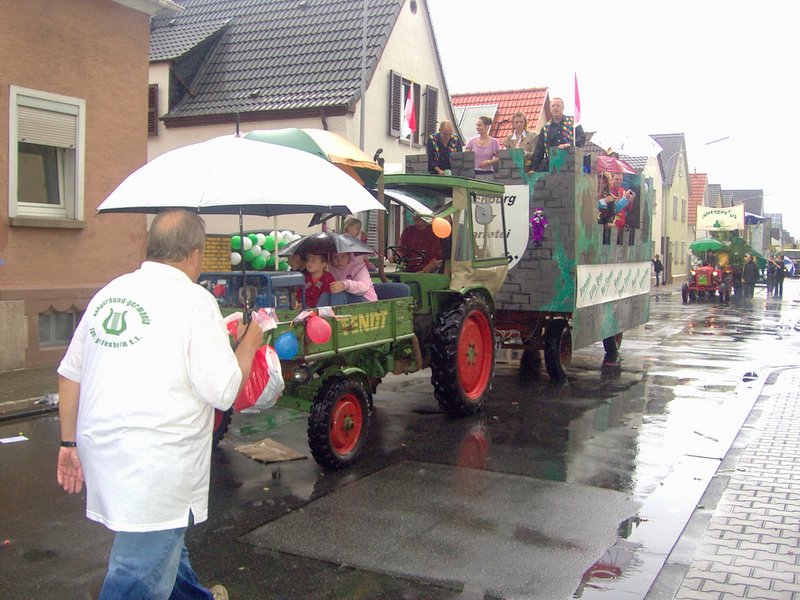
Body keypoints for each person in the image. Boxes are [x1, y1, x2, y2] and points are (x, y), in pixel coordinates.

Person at [56, 209, 263, 600]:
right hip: (156, 460)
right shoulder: (194, 301)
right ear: (194, 254)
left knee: (165, 539)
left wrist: (68, 444)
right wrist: (250, 342)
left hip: (106, 450)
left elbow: (69, 374)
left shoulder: (110, 293)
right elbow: (223, 391)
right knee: (137, 572)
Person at [529, 97, 586, 172]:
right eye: (553, 106)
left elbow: (582, 137)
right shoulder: (545, 127)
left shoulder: (573, 122)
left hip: (570, 164)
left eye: (558, 106)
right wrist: (534, 168)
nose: (555, 108)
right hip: (551, 167)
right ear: (550, 109)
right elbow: (539, 149)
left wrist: (570, 145)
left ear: (563, 108)